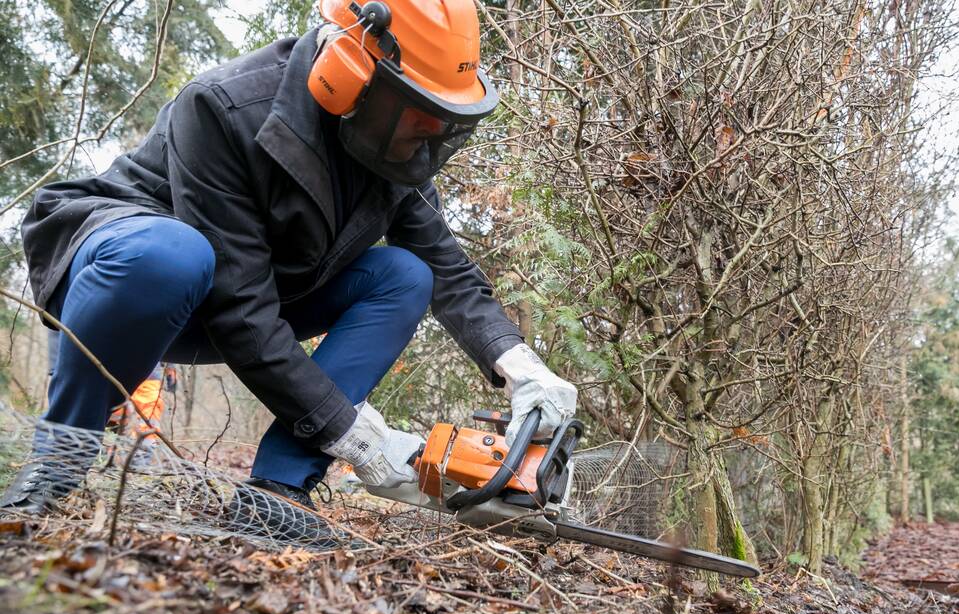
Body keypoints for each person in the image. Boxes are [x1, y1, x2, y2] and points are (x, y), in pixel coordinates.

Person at [0, 0, 577, 528]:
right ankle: (56, 464)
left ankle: (275, 495)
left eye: (441, 117)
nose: (428, 135)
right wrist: (350, 433)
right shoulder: (224, 107)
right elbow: (240, 308)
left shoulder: (391, 149)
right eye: (417, 111)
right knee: (173, 255)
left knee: (405, 276)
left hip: (246, 294)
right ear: (351, 75)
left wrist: (519, 363)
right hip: (131, 272)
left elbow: (444, 265)